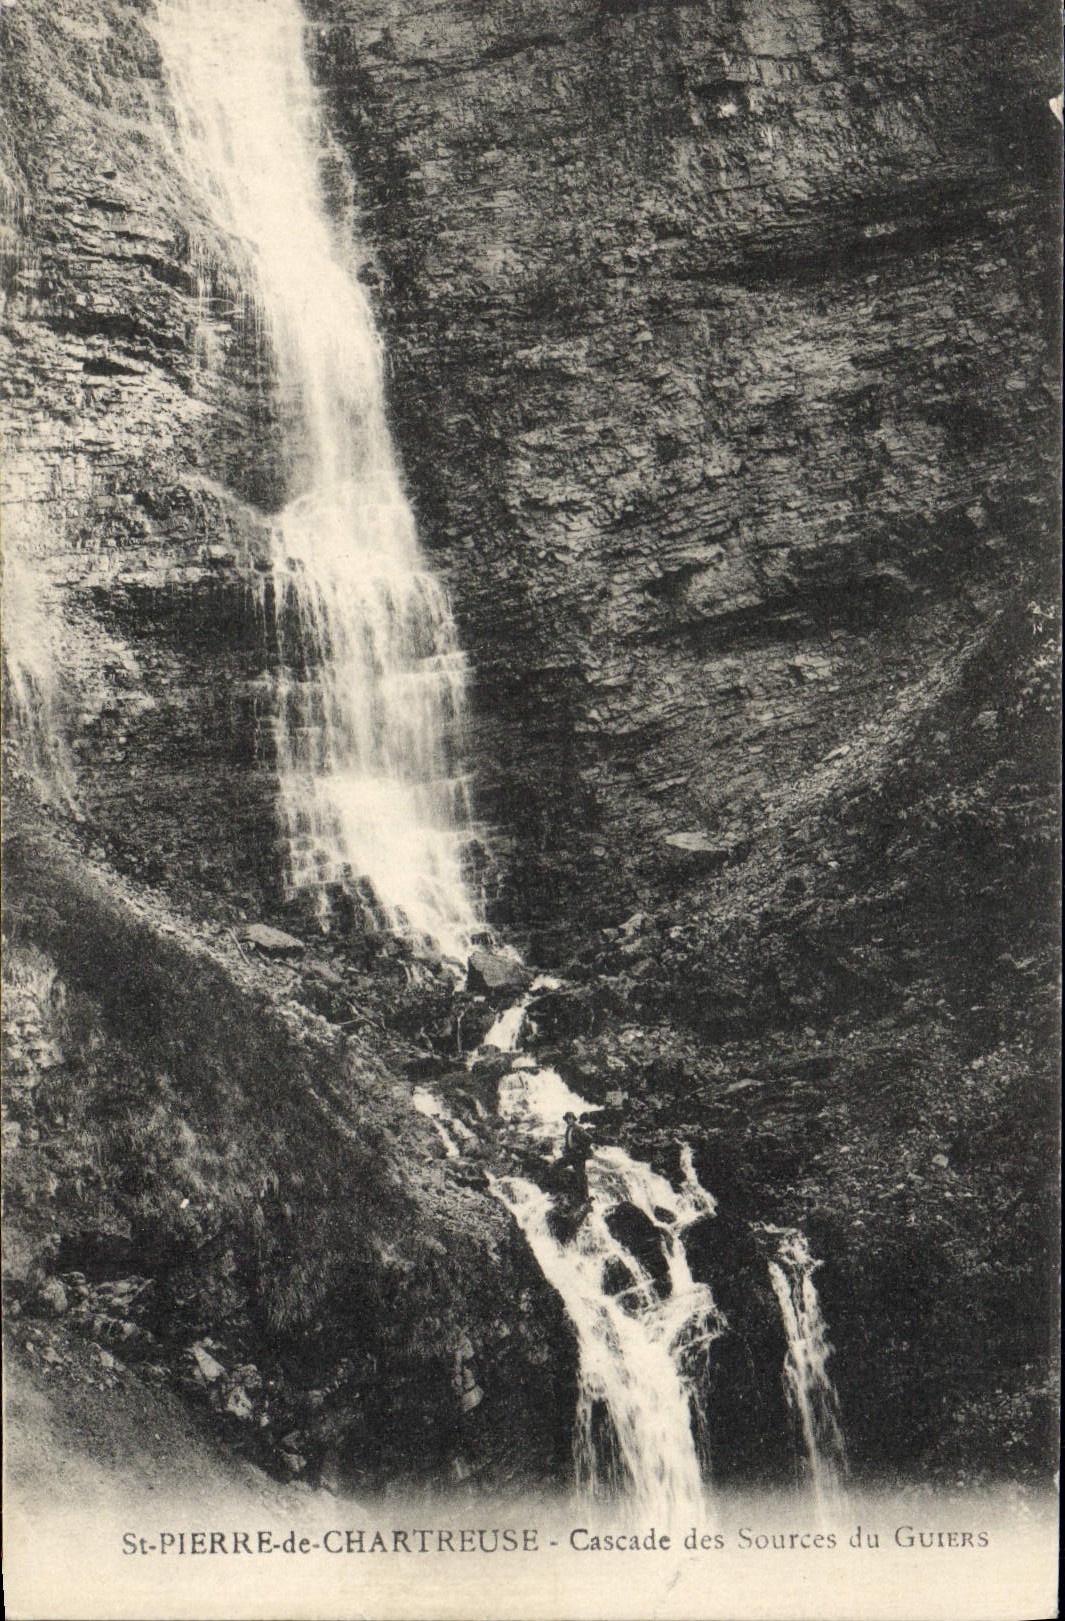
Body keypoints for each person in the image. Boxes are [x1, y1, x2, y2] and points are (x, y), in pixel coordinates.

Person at [561, 1110, 594, 1203]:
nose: (568, 1121)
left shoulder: (578, 1128)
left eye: (570, 1119)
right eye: (567, 1119)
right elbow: (568, 1143)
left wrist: (581, 1149)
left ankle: (585, 1196)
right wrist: (565, 1150)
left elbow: (589, 1139)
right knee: (577, 1174)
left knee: (581, 1175)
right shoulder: (568, 1129)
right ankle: (579, 1195)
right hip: (571, 1155)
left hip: (579, 1156)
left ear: (573, 1119)